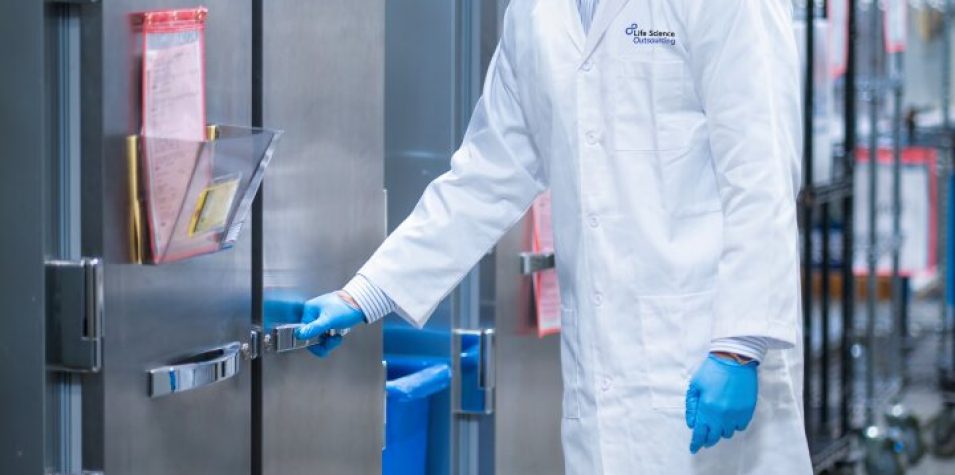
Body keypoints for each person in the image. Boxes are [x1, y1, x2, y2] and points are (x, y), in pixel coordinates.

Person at [295, 0, 812, 473]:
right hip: (602, 383)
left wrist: (739, 345)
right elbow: (485, 175)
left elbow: (761, 177)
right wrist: (366, 293)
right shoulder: (537, 12)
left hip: (707, 357)